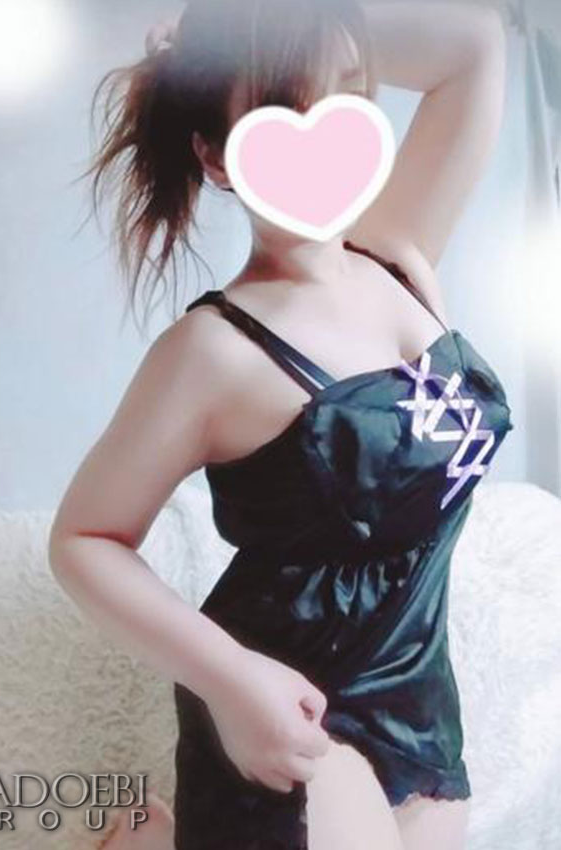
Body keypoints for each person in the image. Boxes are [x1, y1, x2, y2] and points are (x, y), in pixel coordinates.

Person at [48, 2, 512, 848]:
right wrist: (233, 682)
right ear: (217, 157)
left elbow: (475, 43)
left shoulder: (396, 252)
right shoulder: (213, 350)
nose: (324, 132)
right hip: (285, 702)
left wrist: (288, 24)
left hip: (419, 702)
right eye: (282, 110)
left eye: (348, 93)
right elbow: (85, 540)